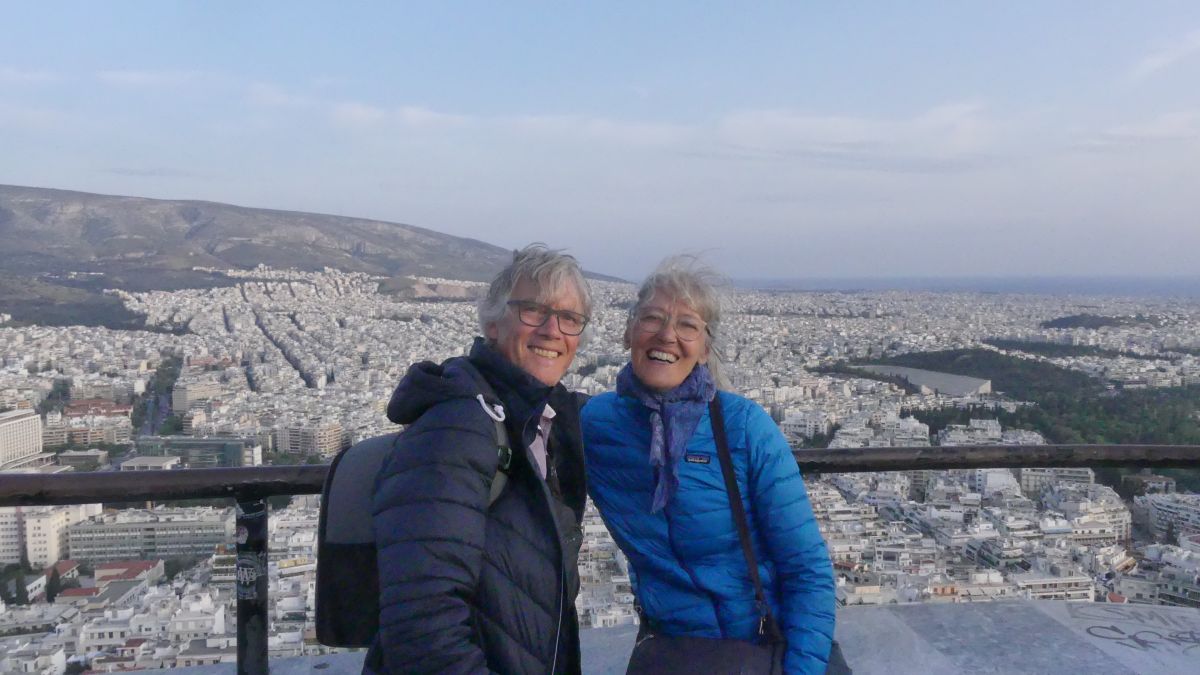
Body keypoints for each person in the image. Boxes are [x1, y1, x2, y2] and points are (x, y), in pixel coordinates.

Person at [582, 257, 837, 674]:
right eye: (652, 318)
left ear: (705, 348)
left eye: (687, 325)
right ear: (629, 330)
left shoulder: (744, 428)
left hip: (756, 646)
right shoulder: (597, 424)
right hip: (671, 653)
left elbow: (807, 569)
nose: (667, 335)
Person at [365, 244, 592, 674]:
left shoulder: (538, 418)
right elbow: (423, 623)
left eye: (569, 319)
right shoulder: (458, 427)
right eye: (532, 310)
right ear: (492, 322)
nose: (552, 330)